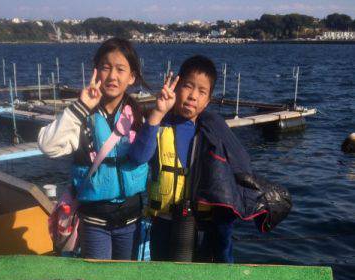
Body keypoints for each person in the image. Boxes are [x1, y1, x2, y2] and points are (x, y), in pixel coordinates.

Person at [128, 55, 291, 262]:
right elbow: (137, 157)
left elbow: (239, 169)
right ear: (176, 86)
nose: (193, 96)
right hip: (163, 222)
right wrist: (158, 113)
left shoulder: (215, 131)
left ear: (208, 101)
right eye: (188, 86)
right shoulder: (159, 124)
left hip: (204, 226)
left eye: (202, 91)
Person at [38, 38, 149, 260]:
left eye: (120, 69)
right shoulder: (82, 115)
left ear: (132, 76)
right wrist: (81, 106)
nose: (112, 76)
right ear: (96, 71)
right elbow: (47, 146)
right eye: (106, 67)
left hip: (131, 220)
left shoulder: (138, 116)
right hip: (94, 222)